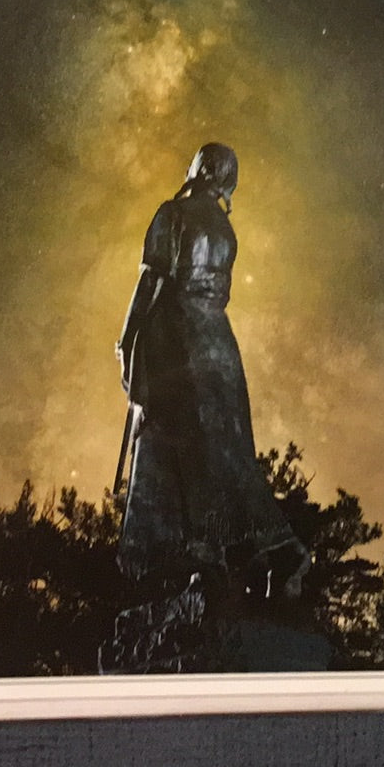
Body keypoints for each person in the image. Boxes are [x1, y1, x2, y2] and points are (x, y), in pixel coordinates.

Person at [115, 143, 309, 598]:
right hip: (220, 344)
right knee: (227, 455)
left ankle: (229, 551)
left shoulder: (172, 214)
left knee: (186, 447)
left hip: (181, 342)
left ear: (200, 170)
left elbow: (152, 279)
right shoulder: (225, 229)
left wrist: (127, 339)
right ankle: (229, 552)